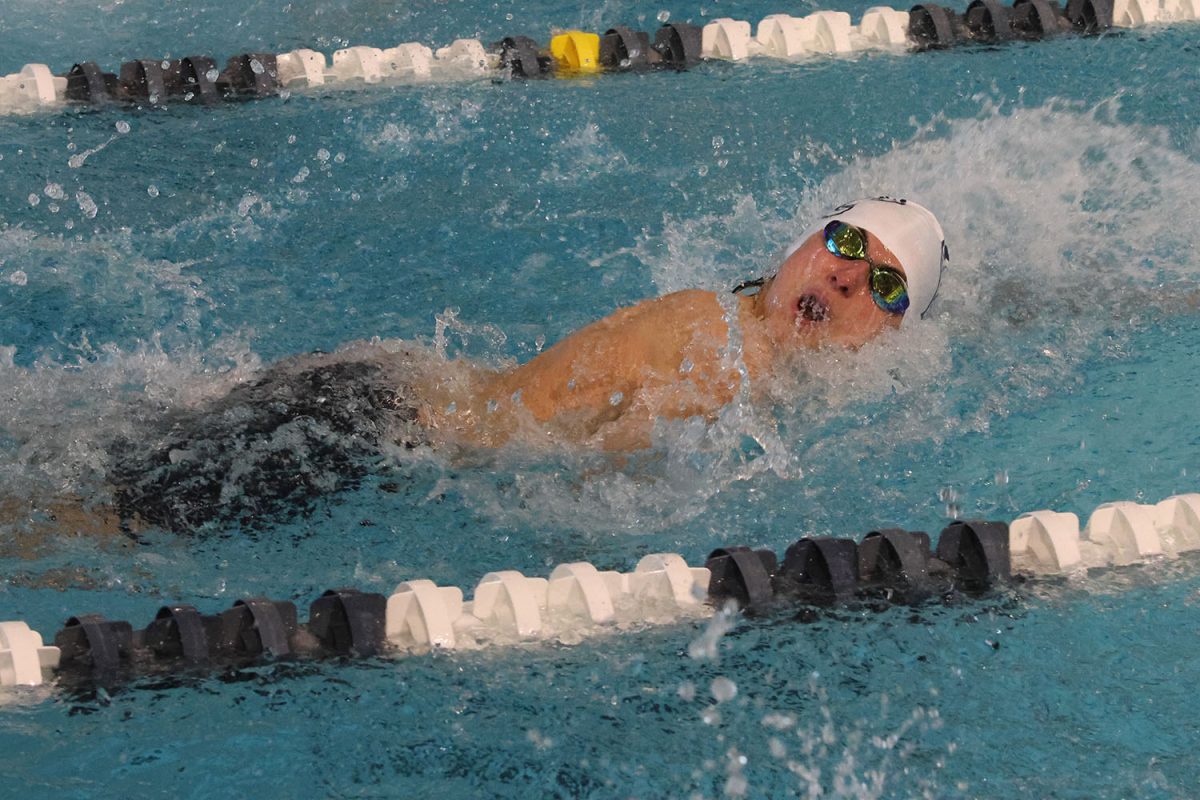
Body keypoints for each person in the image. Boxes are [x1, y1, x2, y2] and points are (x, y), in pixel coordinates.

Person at [108, 196, 947, 532]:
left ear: (885, 335)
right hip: (372, 420)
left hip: (390, 397)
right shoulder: (729, 348)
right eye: (842, 242)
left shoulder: (735, 331)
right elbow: (613, 474)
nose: (843, 274)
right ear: (800, 244)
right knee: (105, 527)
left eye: (882, 284)